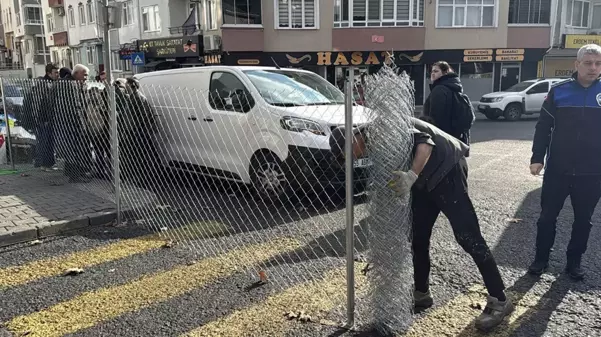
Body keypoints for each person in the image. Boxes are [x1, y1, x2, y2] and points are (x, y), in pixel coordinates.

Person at [329, 117, 513, 331]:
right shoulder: (369, 143)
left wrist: (411, 175)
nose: (355, 158)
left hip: (446, 168)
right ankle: (421, 293)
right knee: (417, 235)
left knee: (468, 237)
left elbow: (425, 144)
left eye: (351, 154)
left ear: (353, 140)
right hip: (423, 179)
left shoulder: (384, 127)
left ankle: (500, 300)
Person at [528, 44, 601, 280]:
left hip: (592, 173)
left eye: (598, 63)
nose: (593, 68)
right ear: (577, 64)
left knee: (583, 221)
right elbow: (543, 128)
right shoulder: (559, 92)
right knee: (547, 217)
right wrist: (537, 158)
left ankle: (574, 263)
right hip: (558, 169)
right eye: (588, 63)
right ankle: (541, 260)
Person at [422, 61, 469, 145]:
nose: (432, 74)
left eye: (436, 71)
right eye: (432, 71)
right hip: (454, 137)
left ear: (446, 72)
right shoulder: (454, 86)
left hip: (441, 138)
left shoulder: (439, 90)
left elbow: (435, 118)